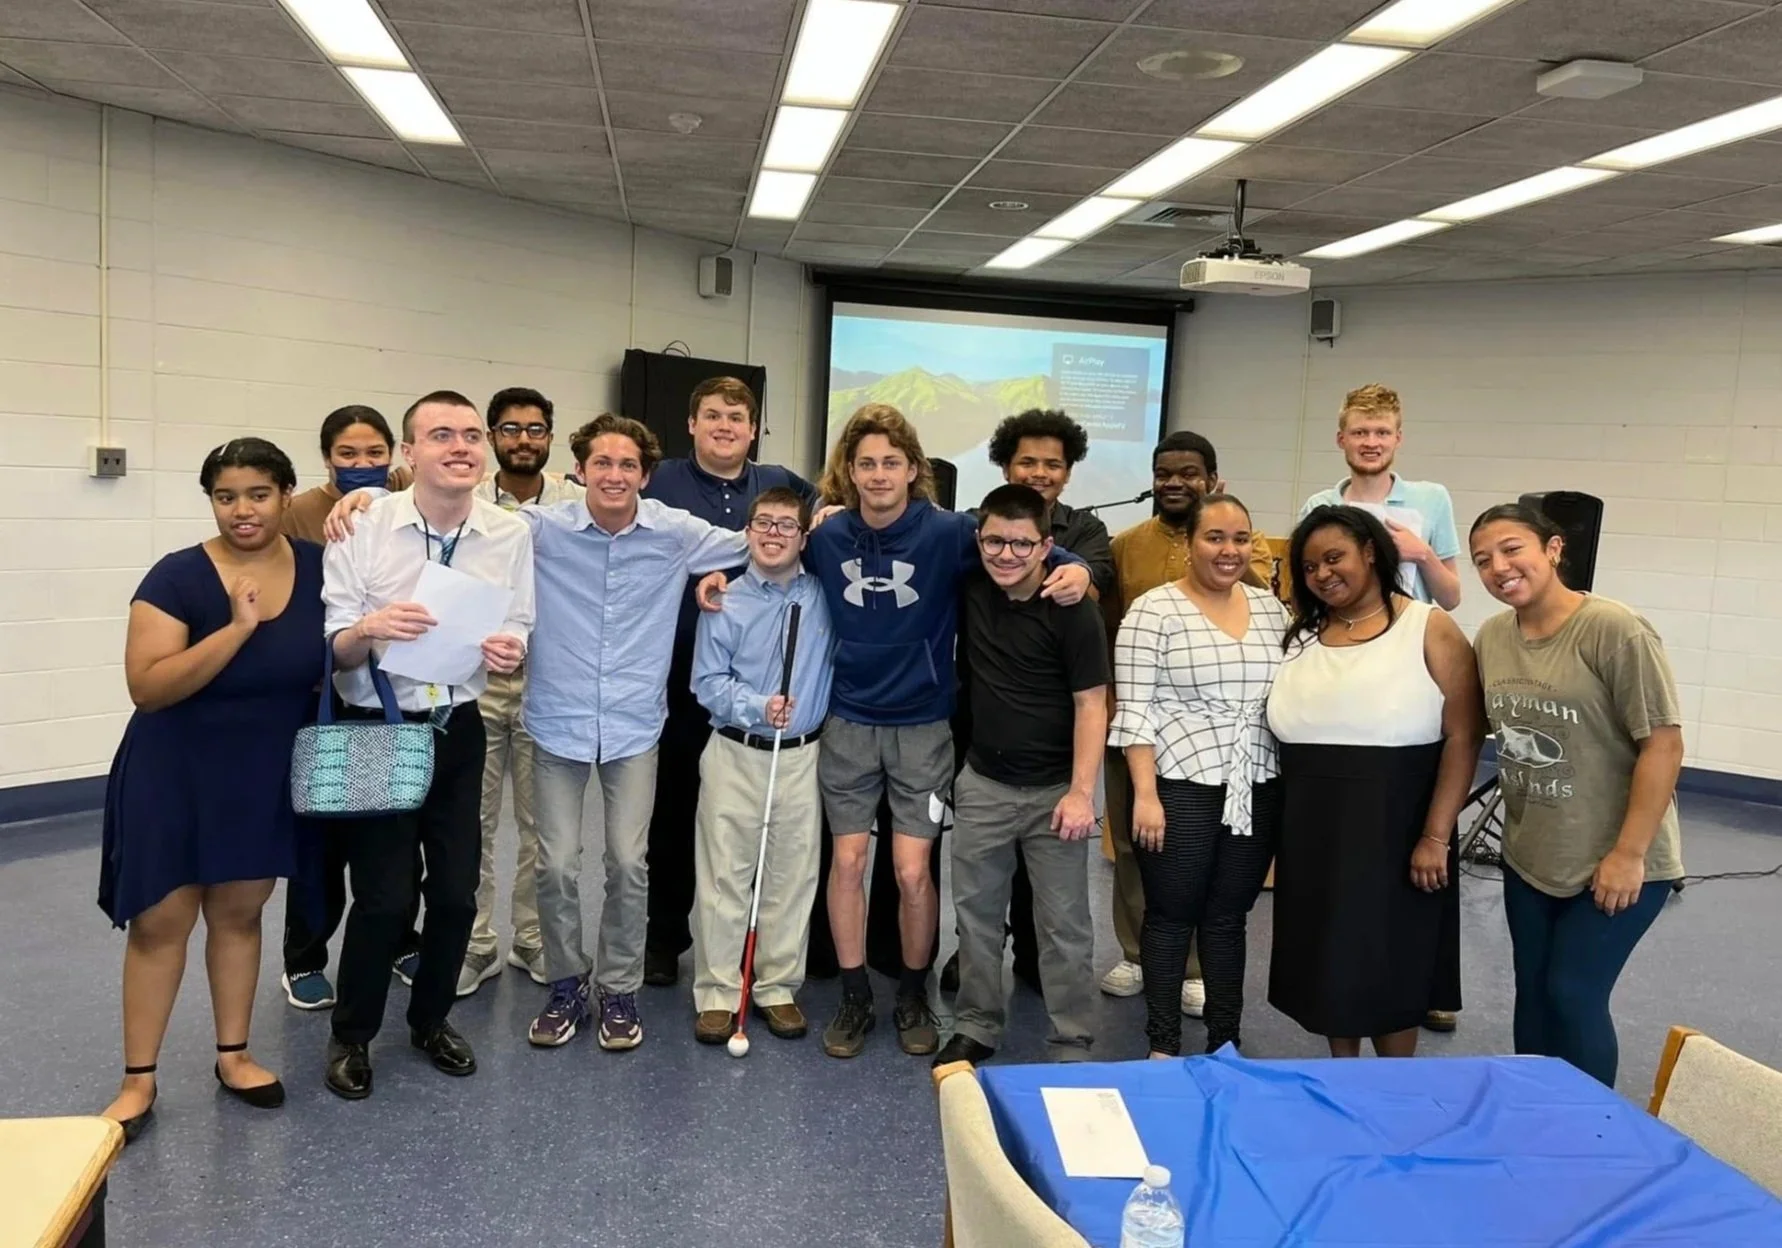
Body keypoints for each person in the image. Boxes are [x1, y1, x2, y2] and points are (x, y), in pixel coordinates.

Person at [702, 404, 1091, 1059]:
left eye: (891, 462)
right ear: (848, 473)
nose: (878, 474)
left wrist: (1080, 567)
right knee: (848, 863)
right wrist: (719, 576)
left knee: (913, 873)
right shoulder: (827, 536)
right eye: (865, 464)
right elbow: (768, 553)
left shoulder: (946, 533)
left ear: (914, 469)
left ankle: (911, 992)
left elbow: (1021, 540)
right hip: (850, 724)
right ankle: (855, 996)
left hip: (924, 729)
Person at [98, 438, 322, 1140]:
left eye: (258, 494)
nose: (242, 510)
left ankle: (235, 1055)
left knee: (240, 914)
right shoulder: (177, 577)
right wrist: (237, 630)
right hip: (176, 768)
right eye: (226, 496)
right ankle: (138, 1079)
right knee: (161, 921)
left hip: (261, 771)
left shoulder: (318, 568)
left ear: (288, 496)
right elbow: (149, 686)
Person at [319, 391, 534, 1099]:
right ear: (408, 454)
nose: (461, 447)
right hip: (379, 728)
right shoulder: (362, 526)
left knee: (455, 894)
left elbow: (520, 625)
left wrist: (512, 650)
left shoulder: (508, 533)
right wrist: (372, 626)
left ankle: (430, 1018)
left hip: (459, 727)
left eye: (473, 435)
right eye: (441, 435)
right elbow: (338, 651)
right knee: (382, 898)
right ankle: (352, 1034)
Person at [520, 414, 755, 1052]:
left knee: (628, 862)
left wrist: (821, 517)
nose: (615, 475)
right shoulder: (541, 530)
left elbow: (755, 541)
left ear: (646, 476)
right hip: (558, 721)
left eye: (628, 465)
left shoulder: (676, 534)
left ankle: (619, 988)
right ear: (580, 470)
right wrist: (368, 498)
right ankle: (567, 981)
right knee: (556, 865)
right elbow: (466, 523)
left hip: (633, 726)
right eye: (602, 463)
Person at [1470, 502, 1684, 1087]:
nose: (1499, 568)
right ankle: (1534, 1114)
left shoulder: (1614, 629)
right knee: (1532, 993)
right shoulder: (1492, 637)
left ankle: (1594, 1133)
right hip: (1531, 855)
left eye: (1512, 549)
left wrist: (1628, 854)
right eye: (1483, 561)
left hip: (1617, 858)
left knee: (1572, 992)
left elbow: (1662, 745)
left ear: (1554, 549)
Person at [1266, 506, 1483, 1058]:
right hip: (1313, 831)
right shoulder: (1301, 635)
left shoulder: (1427, 626)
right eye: (1310, 565)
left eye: (1334, 557)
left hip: (1397, 829)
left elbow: (1464, 736)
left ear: (1370, 552)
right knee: (1329, 967)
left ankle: (1392, 1090)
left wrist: (1436, 836)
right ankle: (1344, 1076)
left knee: (1390, 968)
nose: (1322, 574)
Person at [640, 376, 817, 988]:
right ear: (691, 424)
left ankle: (769, 953)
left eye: (736, 417)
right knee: (673, 815)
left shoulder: (784, 485)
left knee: (760, 828)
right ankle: (664, 937)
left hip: (758, 693)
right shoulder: (657, 479)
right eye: (711, 415)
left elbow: (830, 521)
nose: (724, 426)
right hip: (671, 679)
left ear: (753, 428)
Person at [1300, 384, 1465, 1032]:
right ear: (1341, 439)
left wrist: (1420, 553)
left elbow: (1450, 594)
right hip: (1345, 661)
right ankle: (1346, 980)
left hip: (1410, 661)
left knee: (1418, 826)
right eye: (1360, 433)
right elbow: (1311, 585)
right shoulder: (1321, 503)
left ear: (1398, 439)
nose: (1371, 442)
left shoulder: (1430, 501)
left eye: (1382, 433)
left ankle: (1417, 983)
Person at [937, 409, 1114, 999]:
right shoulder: (973, 526)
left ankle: (1041, 966)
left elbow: (1095, 574)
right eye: (1028, 461)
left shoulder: (1085, 530)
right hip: (982, 737)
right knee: (979, 886)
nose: (1040, 472)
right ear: (1006, 464)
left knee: (1055, 895)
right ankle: (979, 973)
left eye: (1053, 463)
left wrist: (1074, 569)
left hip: (1052, 751)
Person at [1100, 432, 1274, 1014]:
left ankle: (1197, 969)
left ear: (1212, 480)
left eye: (1189, 472)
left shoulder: (1257, 564)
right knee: (1135, 844)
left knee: (1218, 879)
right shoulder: (1124, 545)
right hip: (1143, 725)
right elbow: (1107, 626)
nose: (1174, 481)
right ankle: (1137, 953)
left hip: (1240, 754)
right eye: (1163, 472)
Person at [278, 405, 418, 1010]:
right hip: (319, 688)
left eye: (374, 453)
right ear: (327, 459)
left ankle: (393, 938)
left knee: (392, 824)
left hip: (391, 690)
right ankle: (304, 956)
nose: (363, 466)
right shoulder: (301, 514)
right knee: (324, 832)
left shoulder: (411, 498)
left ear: (395, 453)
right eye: (347, 455)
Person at [688, 487, 833, 1045]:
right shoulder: (723, 598)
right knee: (725, 874)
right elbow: (707, 681)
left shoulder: (823, 596)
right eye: (763, 524)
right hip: (735, 750)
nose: (774, 534)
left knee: (792, 875)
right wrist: (756, 705)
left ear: (803, 537)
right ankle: (720, 992)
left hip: (800, 757)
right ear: (747, 532)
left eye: (786, 526)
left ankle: (776, 987)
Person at [458, 387, 581, 998]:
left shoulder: (577, 503)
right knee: (471, 823)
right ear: (491, 436)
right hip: (476, 685)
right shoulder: (467, 502)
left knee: (544, 827)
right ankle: (475, 943)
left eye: (536, 429)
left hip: (547, 685)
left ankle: (532, 938)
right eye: (510, 429)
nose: (524, 440)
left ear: (550, 437)